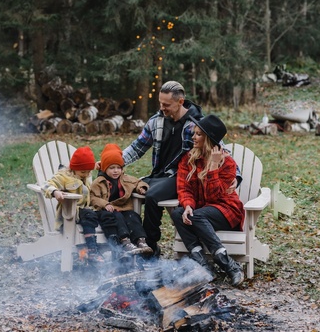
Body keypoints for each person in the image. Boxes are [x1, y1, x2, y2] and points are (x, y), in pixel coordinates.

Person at [122, 81, 241, 257]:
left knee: (153, 195)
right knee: (126, 189)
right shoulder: (156, 122)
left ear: (180, 101)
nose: (162, 108)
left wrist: (236, 176)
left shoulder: (197, 125)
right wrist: (114, 161)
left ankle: (150, 245)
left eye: (166, 104)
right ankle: (133, 241)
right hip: (157, 176)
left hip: (181, 177)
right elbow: (137, 147)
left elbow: (221, 150)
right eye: (160, 103)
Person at [170, 114, 245, 286]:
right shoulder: (188, 159)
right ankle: (203, 265)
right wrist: (188, 205)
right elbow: (184, 188)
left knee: (196, 216)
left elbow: (215, 197)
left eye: (198, 134)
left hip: (226, 210)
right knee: (179, 214)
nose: (193, 137)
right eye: (194, 133)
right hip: (201, 212)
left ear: (209, 139)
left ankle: (229, 265)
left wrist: (212, 167)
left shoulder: (227, 163)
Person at [41, 146, 104, 264]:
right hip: (70, 215)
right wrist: (55, 192)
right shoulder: (63, 176)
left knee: (105, 215)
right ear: (74, 168)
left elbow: (88, 167)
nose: (86, 175)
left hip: (86, 212)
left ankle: (115, 250)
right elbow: (45, 185)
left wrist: (99, 167)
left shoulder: (85, 174)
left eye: (88, 172)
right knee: (89, 215)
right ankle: (92, 250)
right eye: (82, 172)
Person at [90, 144, 153, 258]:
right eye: (112, 168)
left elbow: (138, 182)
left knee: (133, 216)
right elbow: (93, 197)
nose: (116, 171)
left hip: (124, 209)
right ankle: (125, 241)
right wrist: (105, 204)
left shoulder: (125, 179)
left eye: (118, 168)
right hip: (107, 211)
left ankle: (141, 241)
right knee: (117, 217)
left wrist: (141, 188)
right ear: (104, 168)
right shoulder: (99, 182)